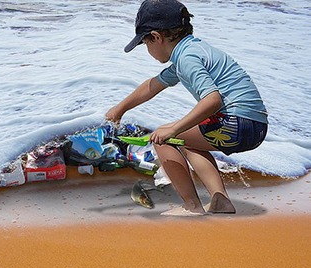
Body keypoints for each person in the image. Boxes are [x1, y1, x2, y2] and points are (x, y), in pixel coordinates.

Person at [105, 0, 268, 216]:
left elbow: (212, 101)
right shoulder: (192, 51)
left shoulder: (187, 58)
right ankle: (220, 201)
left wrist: (172, 130)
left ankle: (191, 206)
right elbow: (152, 86)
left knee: (162, 137)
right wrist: (120, 109)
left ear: (156, 37)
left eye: (145, 44)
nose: (148, 50)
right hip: (255, 127)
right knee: (189, 141)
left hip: (234, 124)